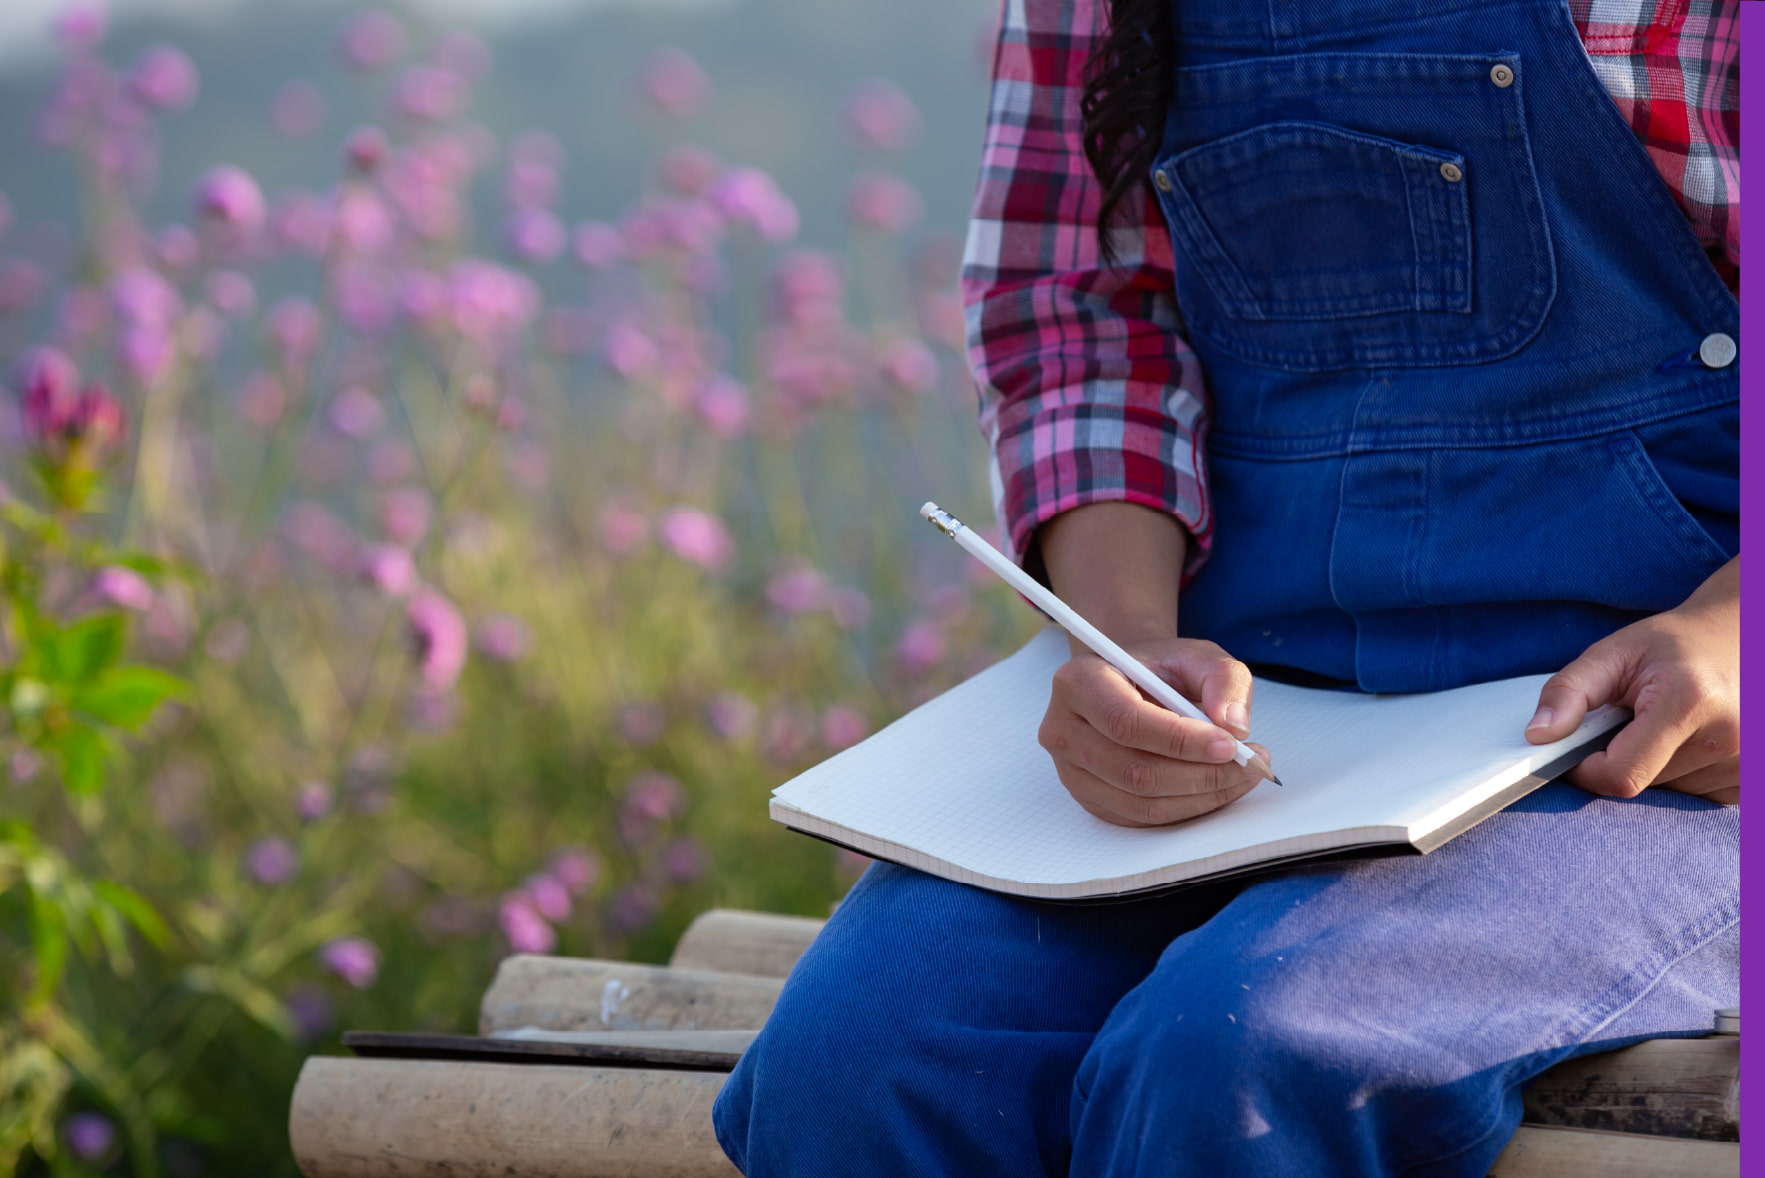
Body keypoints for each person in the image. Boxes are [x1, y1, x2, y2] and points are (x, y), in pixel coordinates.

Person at [713, 0, 1739, 1173]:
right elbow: (1080, 320)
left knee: (1243, 1051)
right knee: (866, 1057)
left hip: (1663, 748)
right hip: (1261, 710)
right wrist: (1125, 639)